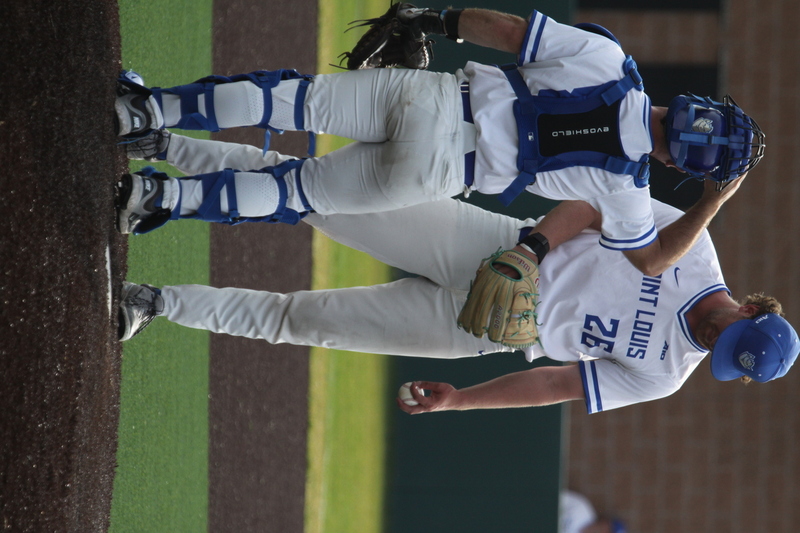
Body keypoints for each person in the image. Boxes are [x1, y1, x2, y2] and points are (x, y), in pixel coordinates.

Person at [116, 137, 798, 415]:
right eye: (728, 335)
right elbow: (593, 205)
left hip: (480, 328)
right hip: (491, 248)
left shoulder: (668, 371)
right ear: (753, 308)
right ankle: (166, 145)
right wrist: (530, 250)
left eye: (725, 359)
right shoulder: (693, 249)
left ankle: (154, 300)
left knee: (303, 321)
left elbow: (560, 381)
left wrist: (461, 400)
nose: (713, 343)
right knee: (318, 193)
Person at [113, 4, 764, 276]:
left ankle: (146, 109)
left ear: (691, 105)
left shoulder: (606, 61)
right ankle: (156, 200)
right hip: (441, 172)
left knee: (287, 98)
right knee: (295, 192)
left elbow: (510, 32)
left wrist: (433, 17)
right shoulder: (628, 193)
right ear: (684, 161)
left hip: (431, 99)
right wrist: (714, 200)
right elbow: (649, 262)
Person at [560, 490, 626, 533]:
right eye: (608, 530)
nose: (604, 531)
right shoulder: (581, 507)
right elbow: (556, 497)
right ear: (605, 521)